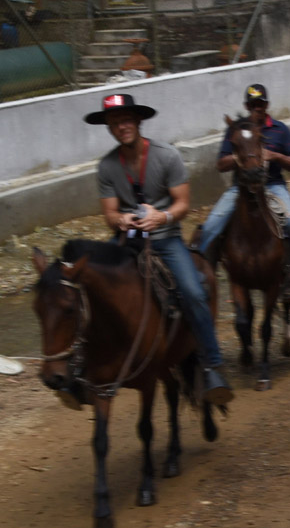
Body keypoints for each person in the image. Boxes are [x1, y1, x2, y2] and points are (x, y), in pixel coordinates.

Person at [88, 92, 234, 406]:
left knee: (194, 291)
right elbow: (109, 214)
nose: (121, 126)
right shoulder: (107, 166)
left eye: (126, 120)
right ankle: (88, 369)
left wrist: (161, 216)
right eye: (115, 123)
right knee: (90, 286)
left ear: (137, 122)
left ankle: (212, 365)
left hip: (165, 238)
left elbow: (183, 204)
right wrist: (121, 219)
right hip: (127, 241)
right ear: (109, 128)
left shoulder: (167, 156)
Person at [197, 84, 290, 301]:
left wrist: (275, 156)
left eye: (261, 103)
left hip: (273, 186)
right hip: (241, 187)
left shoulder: (280, 129)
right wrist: (239, 158)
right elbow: (221, 163)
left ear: (267, 105)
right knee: (211, 226)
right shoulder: (235, 130)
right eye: (253, 104)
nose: (257, 107)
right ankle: (204, 274)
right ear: (247, 106)